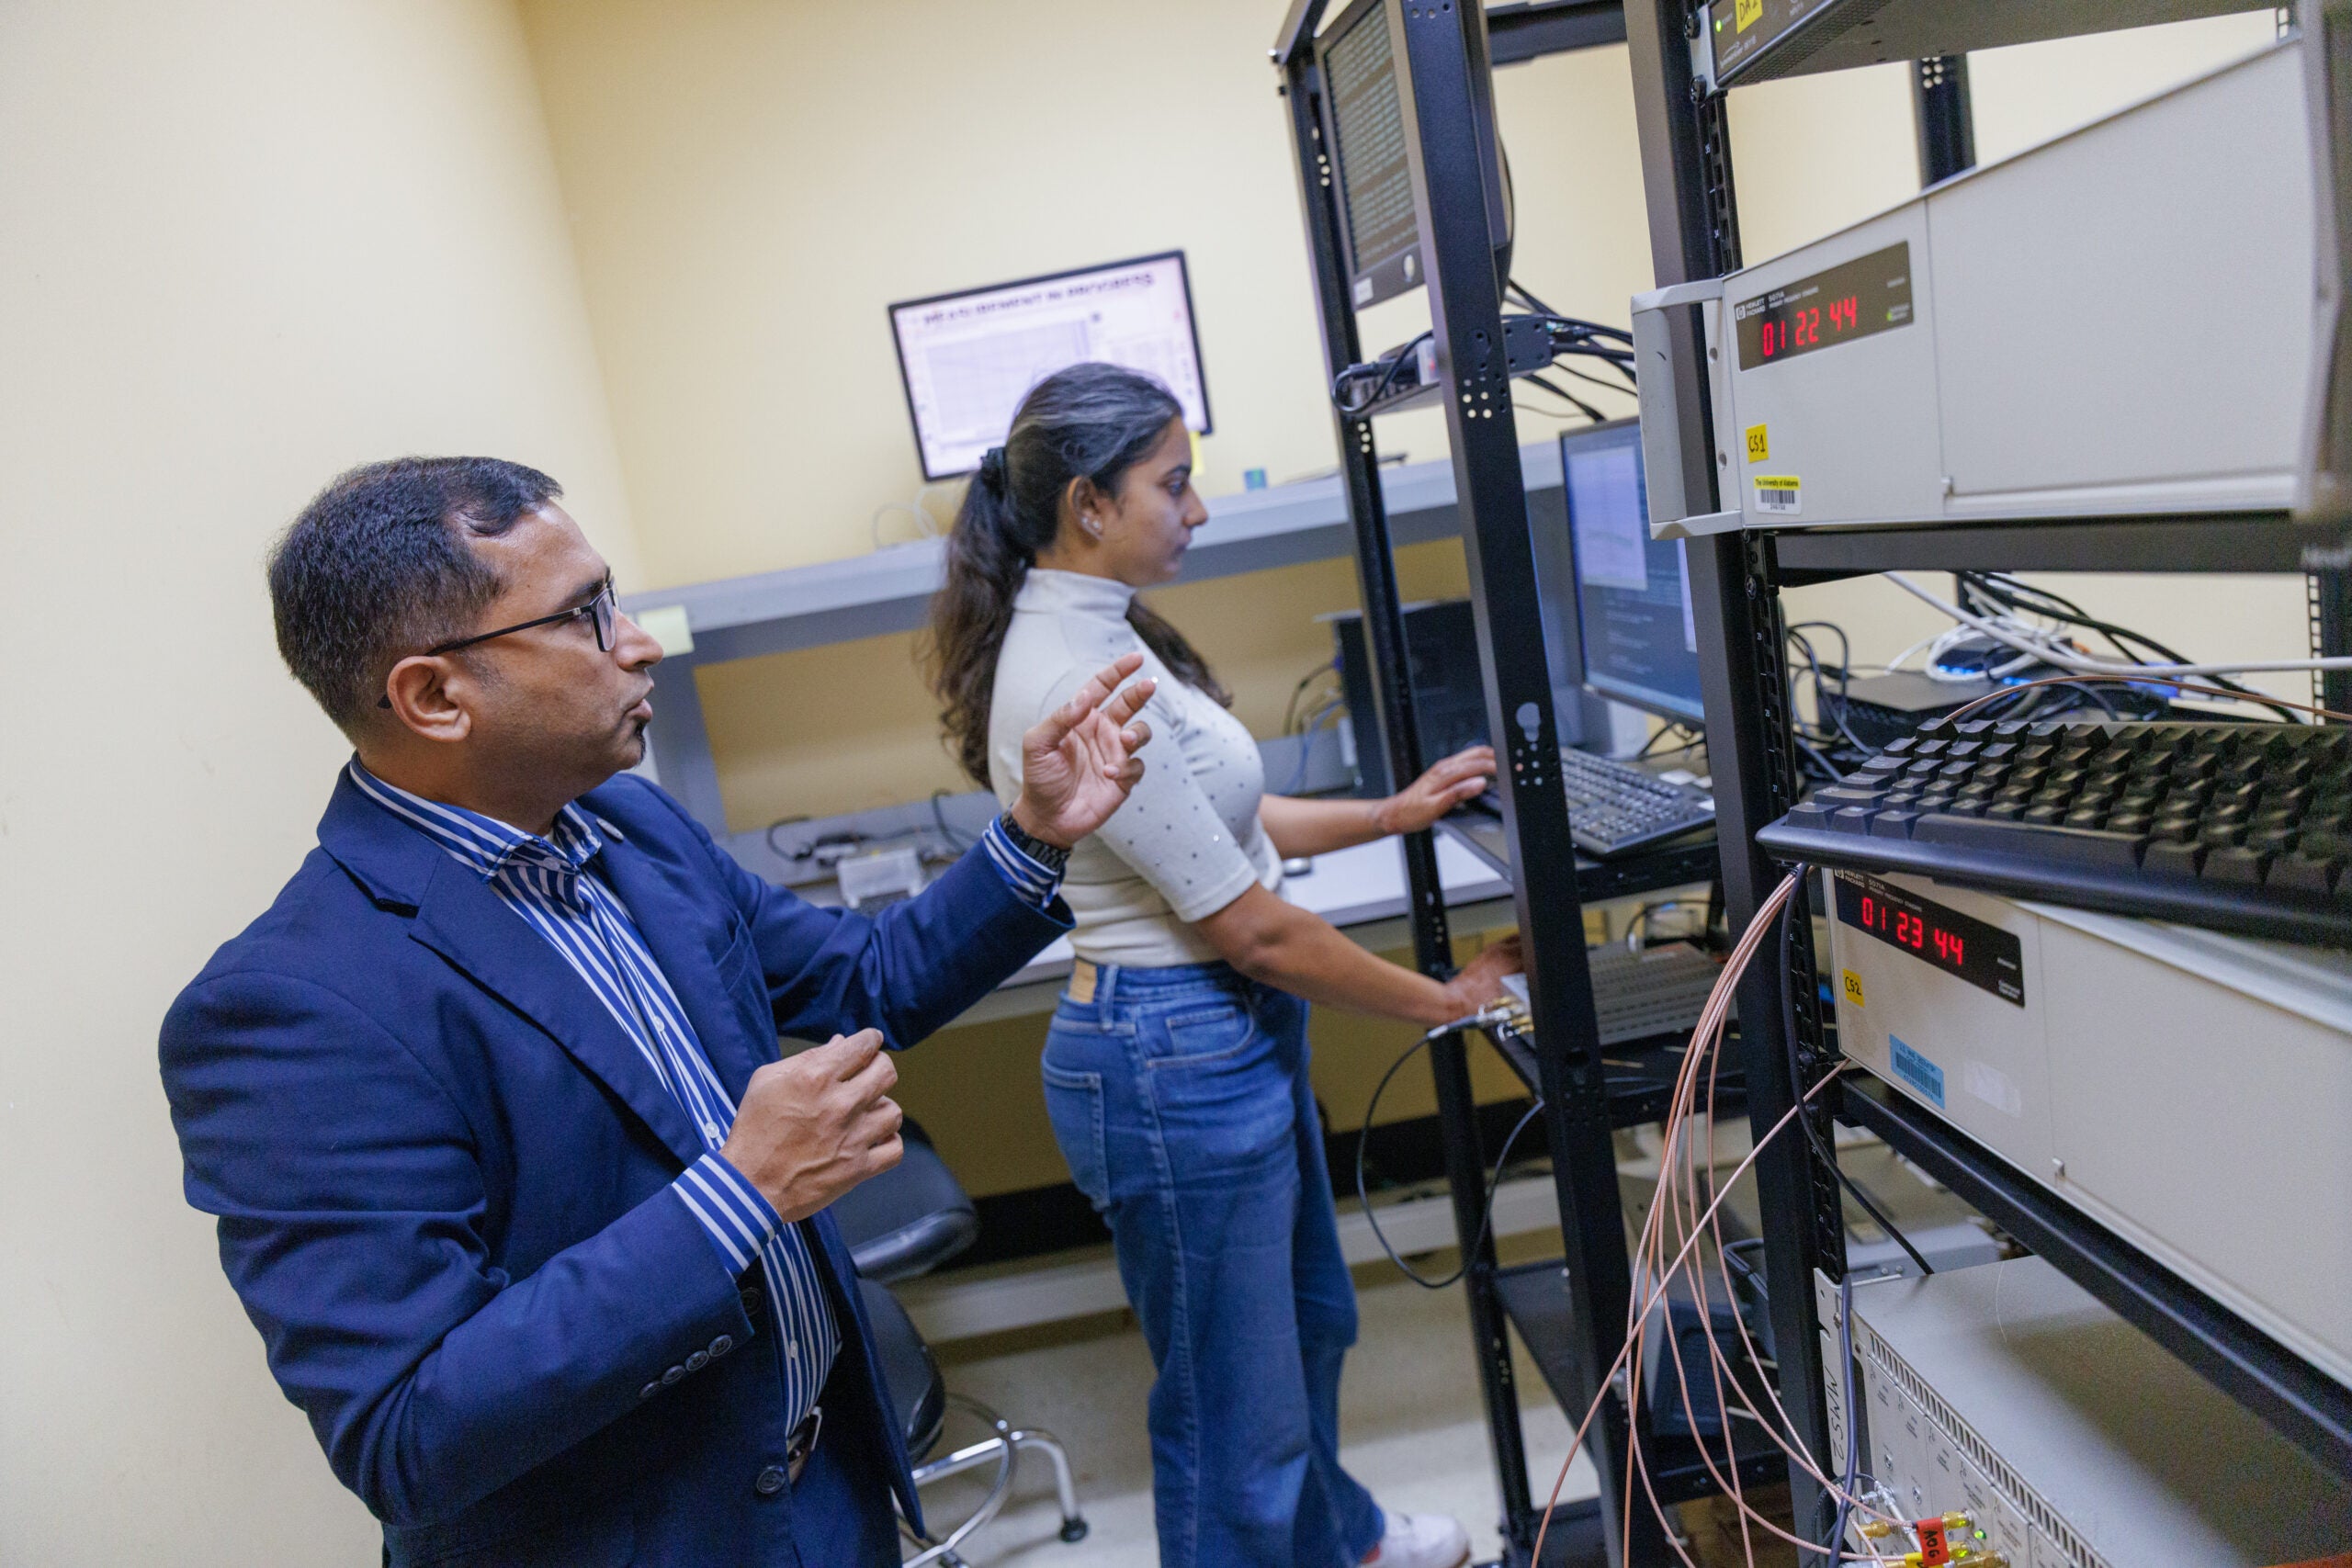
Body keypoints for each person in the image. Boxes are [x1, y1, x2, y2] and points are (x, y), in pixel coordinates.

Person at [159, 457, 1157, 1568]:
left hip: (831, 1485)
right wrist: (740, 1196)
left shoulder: (633, 832)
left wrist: (1033, 834)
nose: (638, 642)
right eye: (587, 616)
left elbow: (861, 979)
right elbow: (409, 1428)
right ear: (435, 697)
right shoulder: (287, 1011)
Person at [925, 363, 1523, 1568]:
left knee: (1310, 1321)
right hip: (1172, 1054)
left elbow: (1230, 821)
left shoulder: (1104, 628)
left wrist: (1392, 811)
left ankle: (1340, 1539)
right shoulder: (1070, 673)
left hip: (1214, 1035)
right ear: (1089, 502)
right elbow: (1250, 924)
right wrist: (1448, 1001)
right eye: (1175, 483)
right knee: (1227, 1417)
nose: (1197, 508)